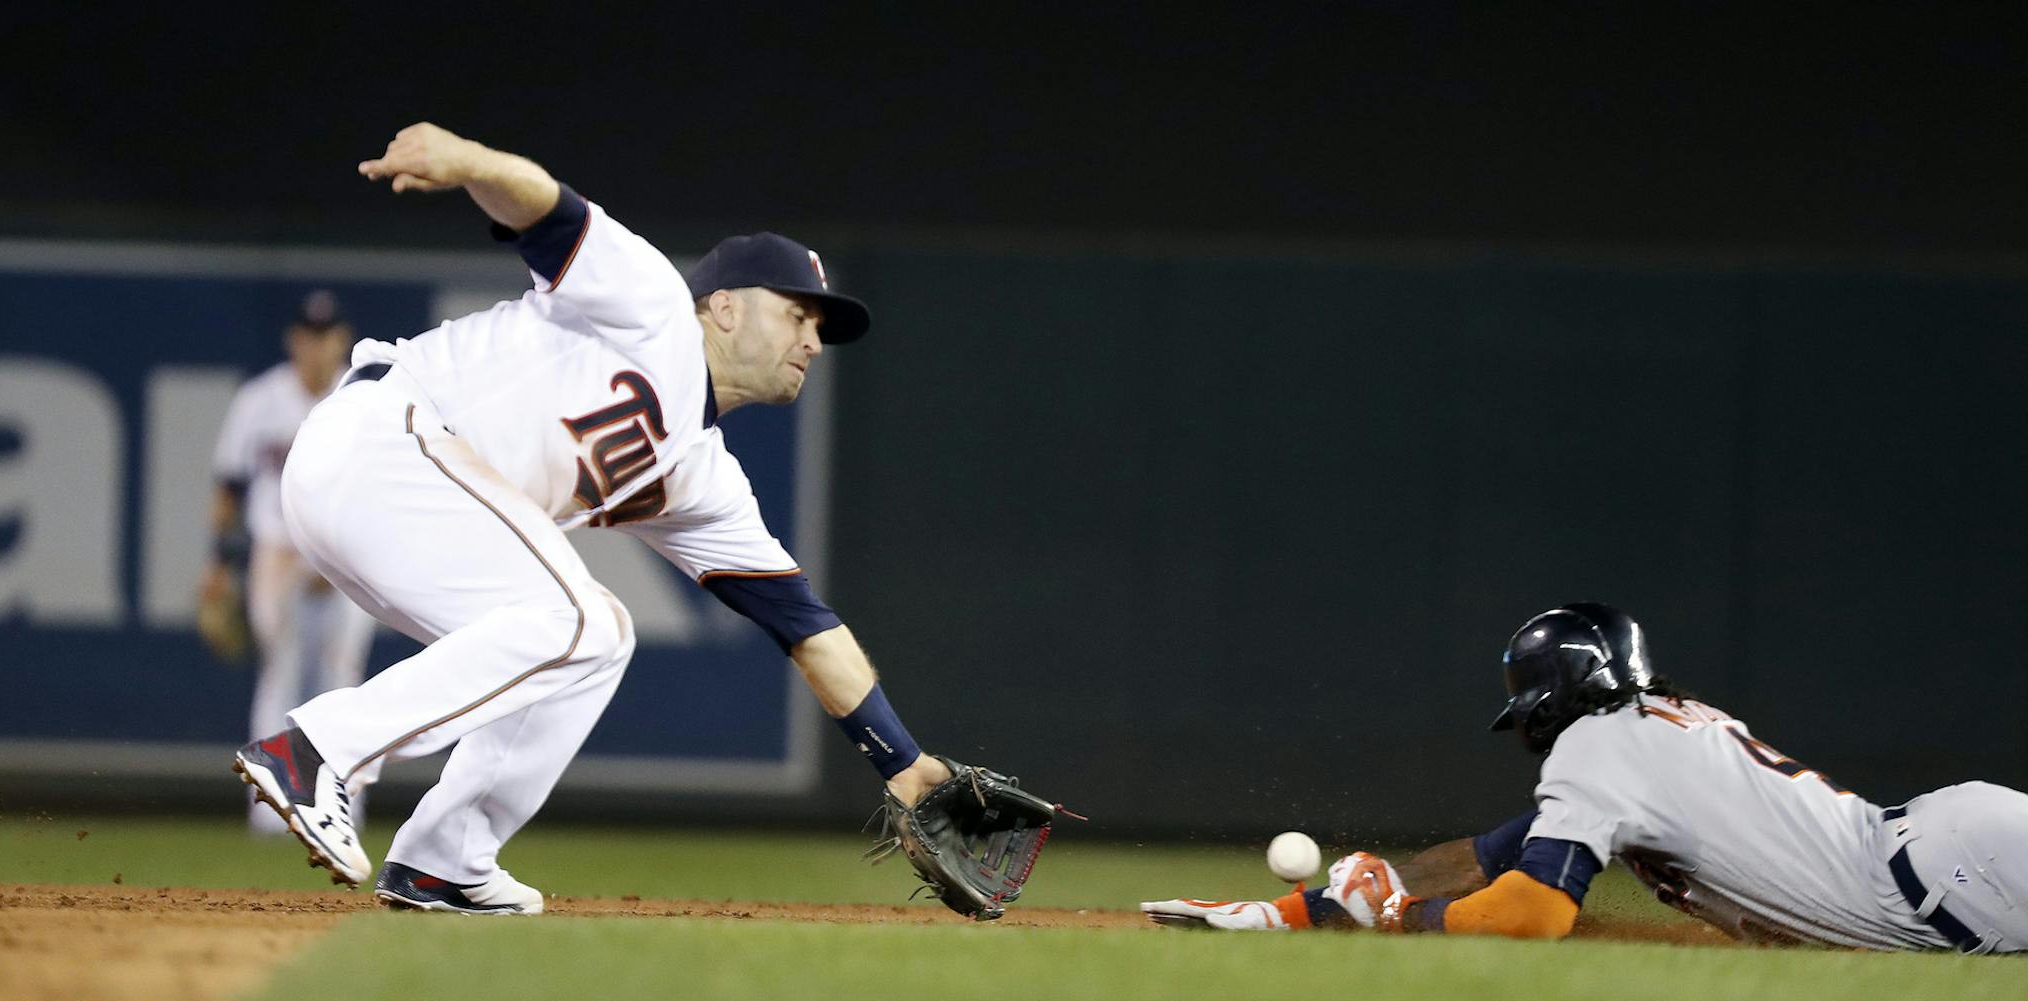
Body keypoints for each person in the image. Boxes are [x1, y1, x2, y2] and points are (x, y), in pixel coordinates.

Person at [232, 123, 957, 915]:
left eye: (820, 329)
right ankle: (314, 751)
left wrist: (904, 762)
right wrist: (471, 163)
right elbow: (547, 211)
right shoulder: (652, 303)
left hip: (399, 511)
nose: (813, 340)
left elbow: (806, 627)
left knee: (598, 633)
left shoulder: (701, 477)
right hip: (382, 437)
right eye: (796, 315)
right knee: (571, 615)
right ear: (721, 307)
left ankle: (445, 858)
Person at [1143, 602, 2028, 954]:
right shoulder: (1646, 736)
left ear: (1560, 691)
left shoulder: (1600, 743)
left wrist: (1410, 918)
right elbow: (1498, 854)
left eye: (1529, 698)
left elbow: (1533, 909)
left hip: (1951, 875)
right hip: (1944, 857)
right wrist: (1298, 910)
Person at [202, 291, 378, 834]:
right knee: (280, 675)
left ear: (342, 340)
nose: (317, 345)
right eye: (307, 334)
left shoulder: (365, 397)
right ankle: (272, 814)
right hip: (277, 554)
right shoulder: (259, 400)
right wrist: (216, 564)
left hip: (347, 557)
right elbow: (229, 487)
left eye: (326, 334)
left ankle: (340, 813)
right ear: (293, 340)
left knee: (342, 680)